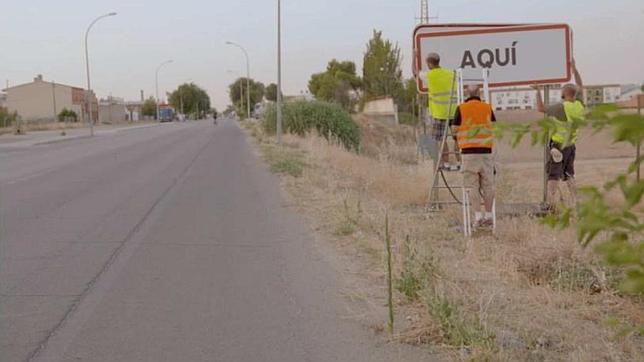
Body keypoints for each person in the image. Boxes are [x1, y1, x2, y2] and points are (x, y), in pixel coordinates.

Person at [533, 59, 584, 209]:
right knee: (569, 175)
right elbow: (580, 86)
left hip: (558, 146)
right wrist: (574, 69)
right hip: (571, 145)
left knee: (553, 175)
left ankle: (549, 203)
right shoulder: (579, 105)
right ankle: (576, 201)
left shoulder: (561, 107)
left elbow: (541, 108)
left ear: (563, 94)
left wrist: (537, 91)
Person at [453, 85, 496, 228]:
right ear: (480, 93)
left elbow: (454, 130)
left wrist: (457, 139)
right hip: (486, 151)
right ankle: (489, 216)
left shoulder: (461, 108)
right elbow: (495, 127)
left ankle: (478, 216)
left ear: (466, 93)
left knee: (472, 186)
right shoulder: (487, 107)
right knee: (488, 185)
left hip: (468, 152)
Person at [425, 52, 459, 170]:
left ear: (429, 63)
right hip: (454, 111)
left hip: (440, 114)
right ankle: (460, 162)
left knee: (441, 140)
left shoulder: (429, 75)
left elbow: (415, 72)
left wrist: (414, 56)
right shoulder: (451, 74)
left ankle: (446, 163)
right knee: (457, 138)